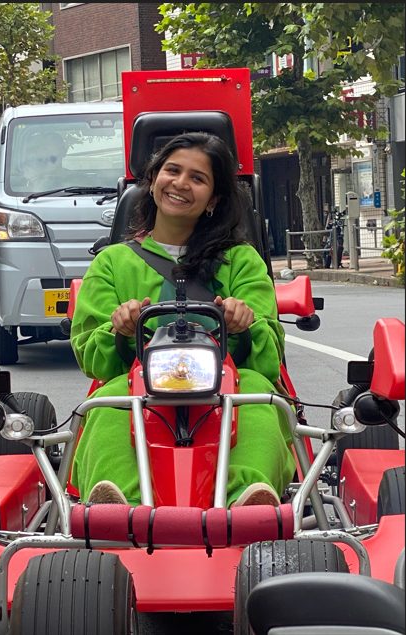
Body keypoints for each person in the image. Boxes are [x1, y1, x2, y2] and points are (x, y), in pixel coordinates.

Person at [70, 132, 296, 507]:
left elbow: (269, 355)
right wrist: (120, 328)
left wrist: (245, 323)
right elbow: (92, 358)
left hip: (230, 382)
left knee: (262, 397)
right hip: (136, 383)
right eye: (172, 170)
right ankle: (118, 503)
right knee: (108, 401)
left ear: (214, 199)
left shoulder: (241, 260)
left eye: (198, 178)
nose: (180, 183)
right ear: (153, 178)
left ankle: (247, 497)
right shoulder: (112, 262)